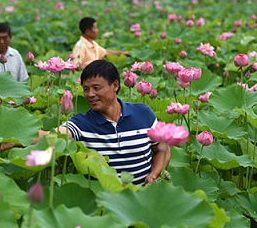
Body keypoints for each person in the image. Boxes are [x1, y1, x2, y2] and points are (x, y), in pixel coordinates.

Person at [39, 60, 169, 185]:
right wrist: (19, 139)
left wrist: (154, 174)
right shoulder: (81, 124)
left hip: (143, 197)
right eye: (86, 89)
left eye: (96, 88)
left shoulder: (143, 114)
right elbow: (52, 136)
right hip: (104, 200)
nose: (90, 94)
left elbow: (163, 149)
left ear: (115, 85)